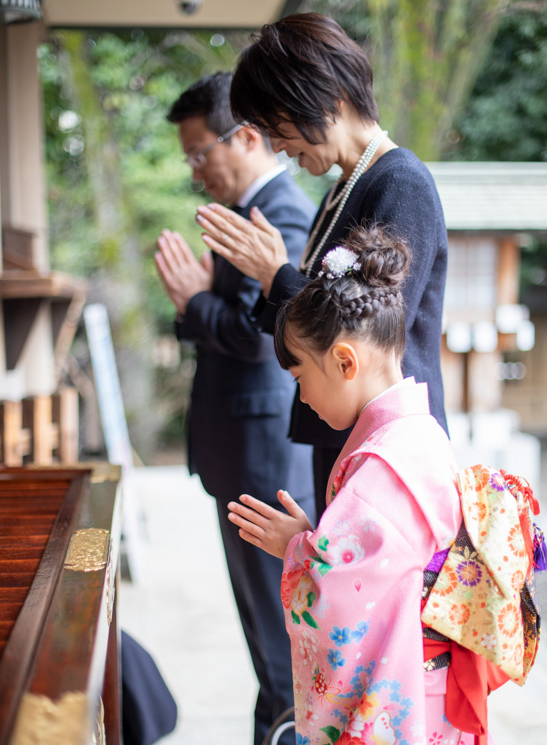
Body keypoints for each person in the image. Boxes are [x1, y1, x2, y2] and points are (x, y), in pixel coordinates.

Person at [226, 224, 544, 745]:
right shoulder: (413, 437)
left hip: (408, 695)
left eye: (301, 378)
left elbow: (339, 600)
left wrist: (297, 551)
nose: (304, 397)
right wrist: (312, 542)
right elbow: (362, 566)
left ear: (344, 361)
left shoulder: (386, 467)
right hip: (428, 681)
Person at [194, 13, 449, 520]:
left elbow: (366, 330)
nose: (278, 145)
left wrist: (275, 276)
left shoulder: (401, 183)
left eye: (277, 126)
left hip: (385, 447)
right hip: (349, 432)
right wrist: (277, 278)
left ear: (327, 98)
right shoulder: (343, 189)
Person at [154, 71, 317, 745]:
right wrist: (193, 303)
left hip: (263, 448)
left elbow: (262, 341)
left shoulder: (280, 211)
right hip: (241, 444)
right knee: (262, 617)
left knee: (277, 618)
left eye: (198, 153)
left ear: (244, 136)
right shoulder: (248, 207)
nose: (195, 168)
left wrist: (192, 302)